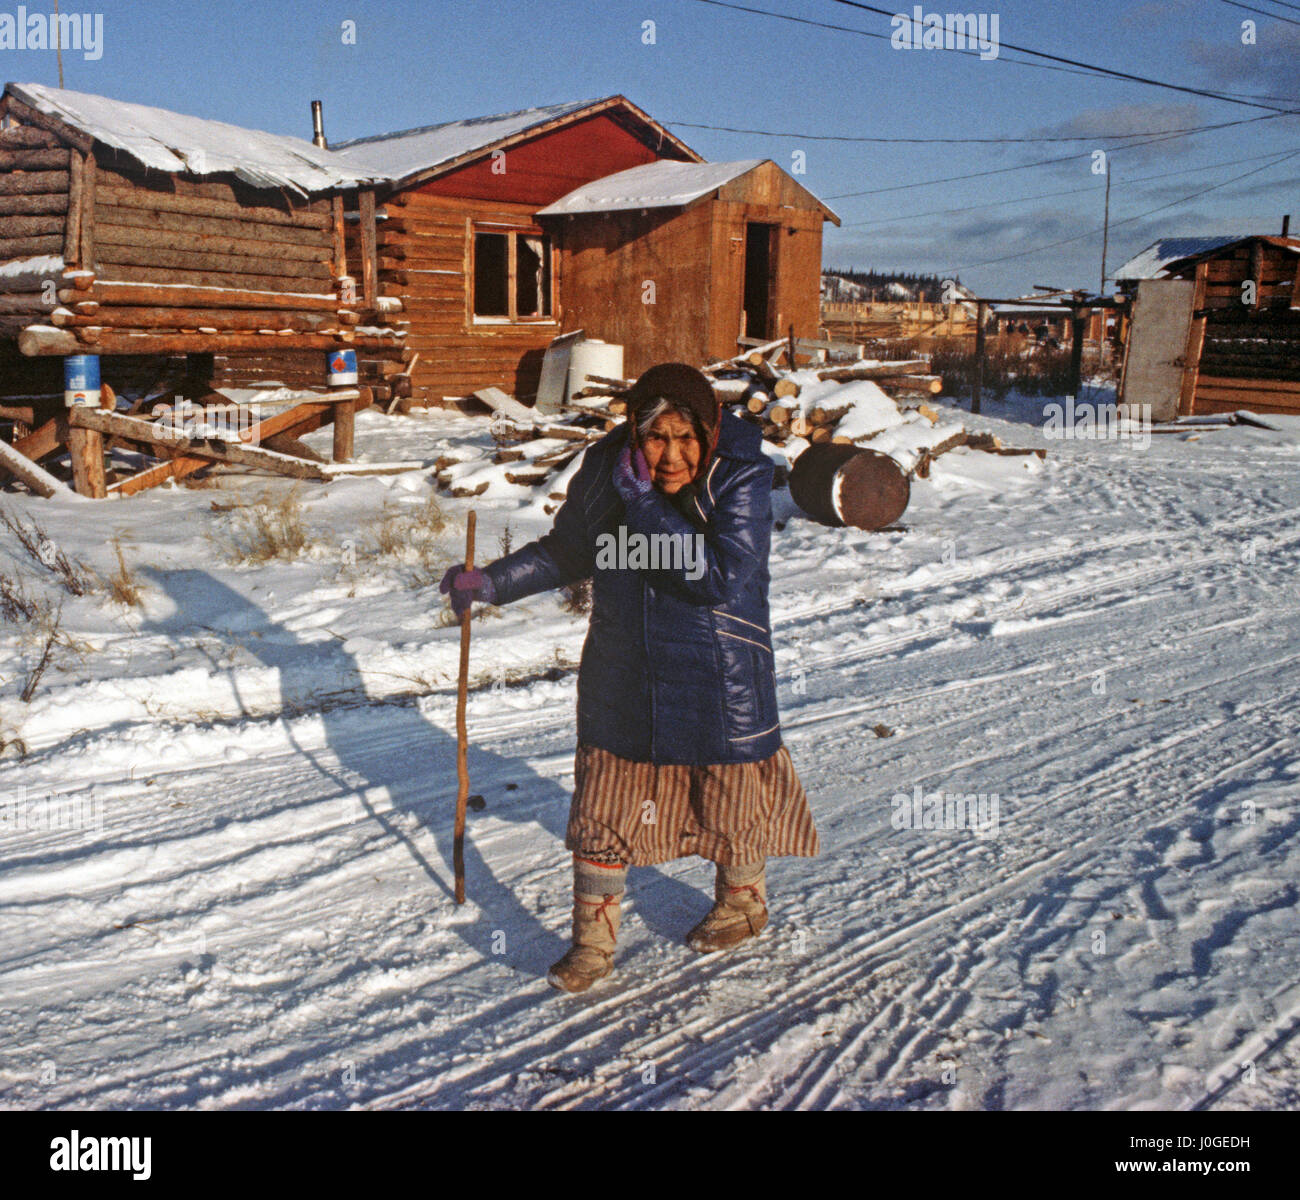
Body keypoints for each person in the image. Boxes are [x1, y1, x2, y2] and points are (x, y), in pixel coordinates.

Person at [440, 362, 819, 993]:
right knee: (605, 806)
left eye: (685, 439)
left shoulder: (741, 474)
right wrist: (492, 583)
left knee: (727, 801)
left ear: (709, 431)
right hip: (623, 669)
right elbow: (568, 551)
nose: (670, 456)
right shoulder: (605, 469)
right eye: (655, 439)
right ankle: (592, 945)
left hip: (716, 671)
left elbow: (717, 575)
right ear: (634, 434)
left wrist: (643, 504)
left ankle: (743, 904)